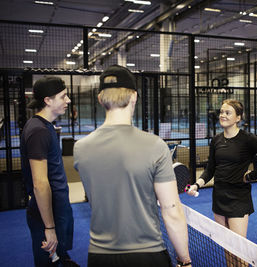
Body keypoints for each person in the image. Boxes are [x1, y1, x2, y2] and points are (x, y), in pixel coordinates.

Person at [73, 65, 191, 267]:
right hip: (148, 255)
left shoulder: (80, 148)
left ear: (100, 99)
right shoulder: (155, 146)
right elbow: (171, 211)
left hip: (99, 257)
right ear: (134, 97)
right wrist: (185, 260)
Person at [187, 99, 257, 238]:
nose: (222, 115)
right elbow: (210, 168)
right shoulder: (216, 140)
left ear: (238, 118)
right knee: (227, 246)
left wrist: (251, 176)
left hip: (238, 198)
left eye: (228, 113)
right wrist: (197, 184)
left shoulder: (248, 139)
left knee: (239, 249)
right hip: (219, 196)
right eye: (221, 112)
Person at [20, 77, 79, 266]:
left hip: (57, 207)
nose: (68, 100)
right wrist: (49, 227)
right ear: (47, 100)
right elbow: (40, 183)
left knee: (60, 257)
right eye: (63, 96)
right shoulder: (39, 131)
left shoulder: (45, 127)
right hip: (47, 213)